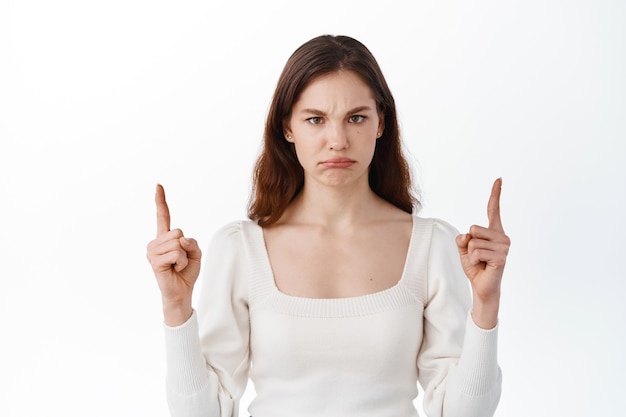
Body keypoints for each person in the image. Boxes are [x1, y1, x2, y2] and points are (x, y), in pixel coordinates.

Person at [146, 34, 510, 417]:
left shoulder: (432, 245)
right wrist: (176, 307)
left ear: (380, 123)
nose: (337, 141)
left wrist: (486, 305)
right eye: (315, 119)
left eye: (356, 118)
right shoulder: (241, 248)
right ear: (288, 127)